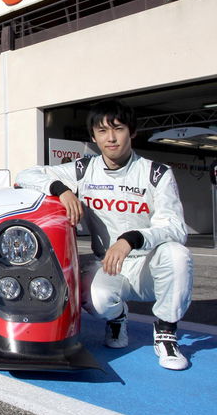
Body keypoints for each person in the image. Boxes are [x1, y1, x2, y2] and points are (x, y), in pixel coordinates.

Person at [15, 99, 193, 370]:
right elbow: (26, 174)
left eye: (118, 129)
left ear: (131, 132)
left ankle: (166, 331)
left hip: (147, 265)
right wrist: (61, 189)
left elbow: (175, 228)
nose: (111, 138)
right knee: (95, 299)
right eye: (102, 131)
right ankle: (117, 317)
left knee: (177, 254)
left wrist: (131, 239)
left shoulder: (157, 173)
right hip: (109, 266)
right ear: (93, 137)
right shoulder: (85, 169)